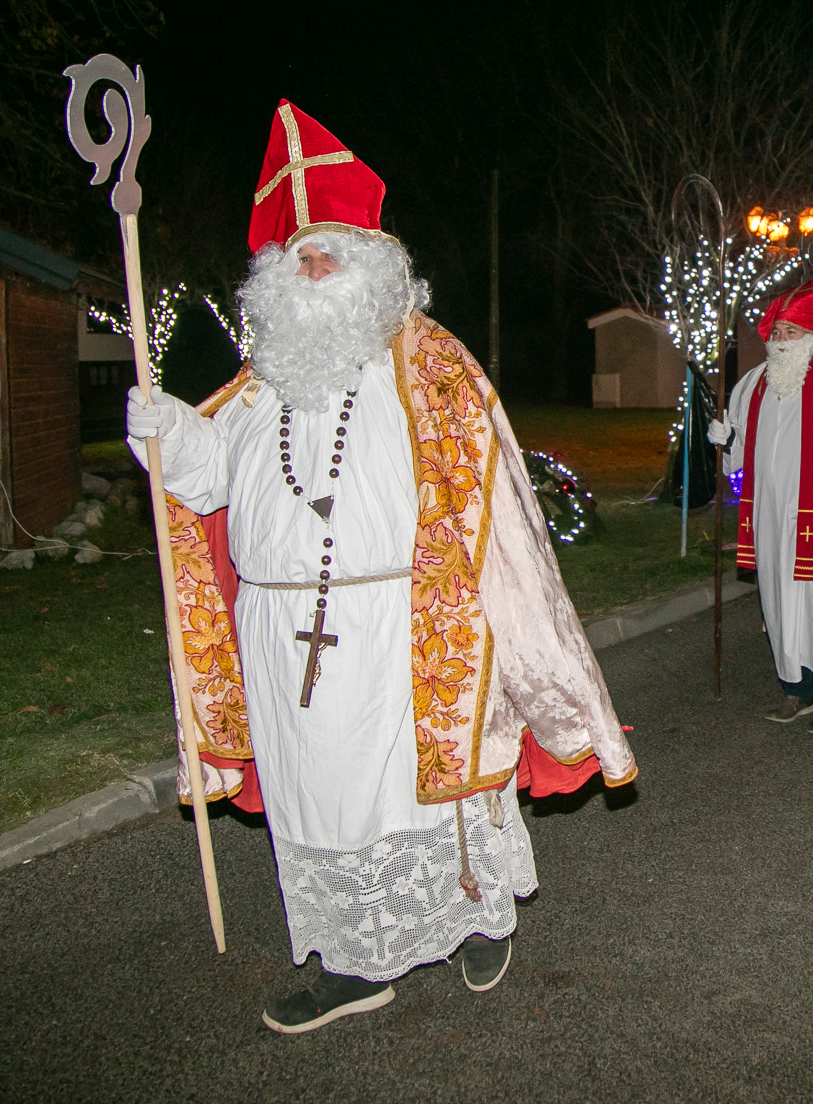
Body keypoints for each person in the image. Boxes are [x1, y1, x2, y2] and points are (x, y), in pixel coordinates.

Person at [126, 100, 635, 1034]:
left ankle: (477, 914)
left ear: (373, 263)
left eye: (328, 253)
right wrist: (168, 433)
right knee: (314, 793)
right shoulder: (260, 386)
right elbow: (203, 487)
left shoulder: (432, 371)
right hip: (284, 641)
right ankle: (353, 960)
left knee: (418, 784)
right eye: (296, 256)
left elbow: (494, 506)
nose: (311, 270)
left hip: (403, 632)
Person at [706, 282, 813, 734]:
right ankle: (793, 688)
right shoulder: (752, 383)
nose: (781, 340)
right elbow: (738, 456)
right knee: (778, 599)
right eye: (776, 331)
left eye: (790, 330)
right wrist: (724, 443)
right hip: (769, 513)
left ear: (809, 334)